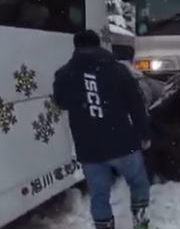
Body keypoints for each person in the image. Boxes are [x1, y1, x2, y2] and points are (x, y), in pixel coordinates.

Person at [53, 30, 151, 229]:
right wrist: (143, 134)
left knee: (99, 195)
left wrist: (82, 99)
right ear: (99, 45)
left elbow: (61, 102)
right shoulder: (118, 70)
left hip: (89, 148)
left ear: (76, 47)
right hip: (122, 143)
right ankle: (140, 221)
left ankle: (104, 226)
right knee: (138, 182)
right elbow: (136, 105)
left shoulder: (64, 74)